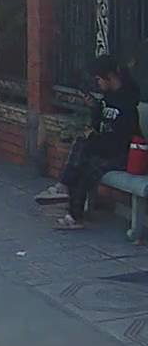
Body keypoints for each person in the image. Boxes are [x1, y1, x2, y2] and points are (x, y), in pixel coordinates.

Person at [39, 54, 142, 230]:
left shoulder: (129, 101)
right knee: (83, 150)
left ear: (109, 76)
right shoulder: (108, 97)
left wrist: (97, 139)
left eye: (99, 79)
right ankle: (68, 200)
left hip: (125, 153)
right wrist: (95, 108)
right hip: (108, 148)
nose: (97, 83)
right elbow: (99, 124)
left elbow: (122, 136)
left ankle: (68, 200)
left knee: (87, 162)